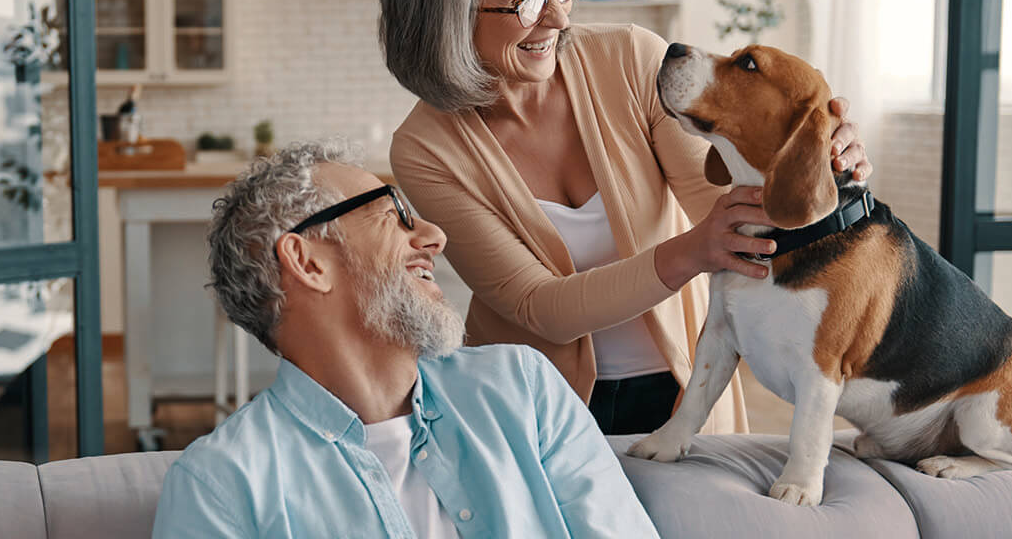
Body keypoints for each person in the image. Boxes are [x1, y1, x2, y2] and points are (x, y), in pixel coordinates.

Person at [381, 0, 873, 435]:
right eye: (525, 2)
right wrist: (692, 250)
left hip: (685, 386)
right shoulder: (424, 149)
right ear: (446, 18)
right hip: (535, 410)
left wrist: (819, 164)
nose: (559, 17)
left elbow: (736, 213)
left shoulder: (631, 59)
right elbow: (537, 306)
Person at [152, 141, 658, 538]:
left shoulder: (523, 392)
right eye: (393, 213)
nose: (433, 236)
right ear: (307, 262)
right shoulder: (220, 485)